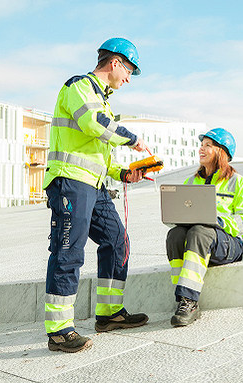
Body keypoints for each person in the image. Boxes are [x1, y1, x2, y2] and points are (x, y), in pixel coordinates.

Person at [43, 38, 150, 353]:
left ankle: (109, 313)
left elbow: (100, 154)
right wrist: (132, 139)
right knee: (69, 251)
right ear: (115, 63)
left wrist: (124, 173)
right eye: (129, 70)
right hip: (71, 182)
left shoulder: (102, 99)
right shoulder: (79, 87)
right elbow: (93, 124)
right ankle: (59, 330)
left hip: (96, 184)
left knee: (118, 241)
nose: (128, 79)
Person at [166, 128, 243, 327]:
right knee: (175, 234)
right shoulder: (191, 181)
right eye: (201, 145)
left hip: (228, 244)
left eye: (208, 145)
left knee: (200, 231)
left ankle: (190, 301)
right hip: (200, 240)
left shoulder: (238, 182)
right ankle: (181, 299)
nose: (201, 149)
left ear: (221, 152)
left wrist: (219, 222)